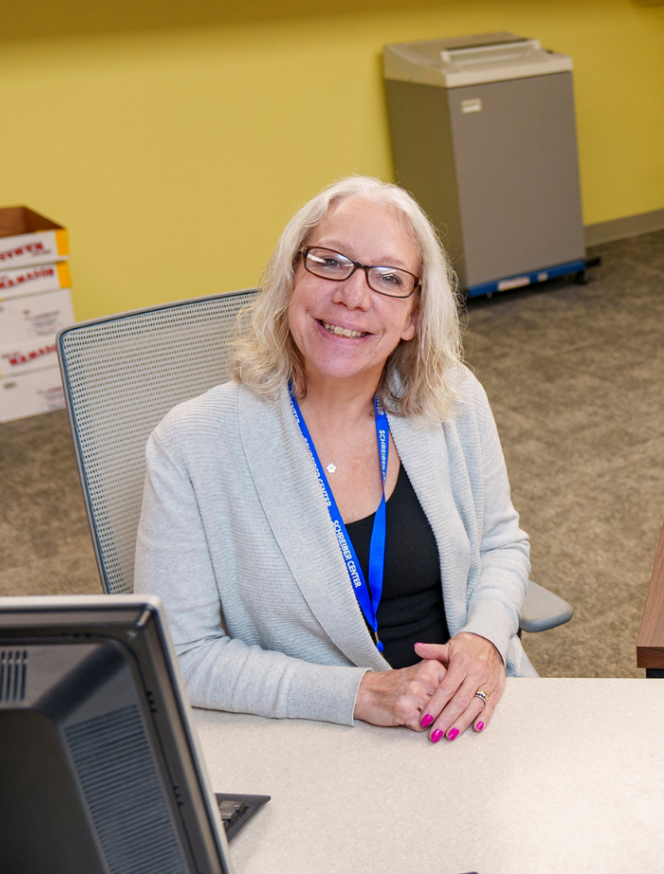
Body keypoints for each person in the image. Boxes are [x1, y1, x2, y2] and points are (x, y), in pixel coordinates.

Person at [136, 176, 535, 742]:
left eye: (390, 278)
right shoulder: (191, 444)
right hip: (317, 737)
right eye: (330, 262)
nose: (353, 295)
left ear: (415, 316)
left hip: (470, 713)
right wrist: (360, 693)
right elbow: (183, 652)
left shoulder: (453, 398)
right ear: (290, 278)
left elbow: (501, 542)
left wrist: (486, 639)